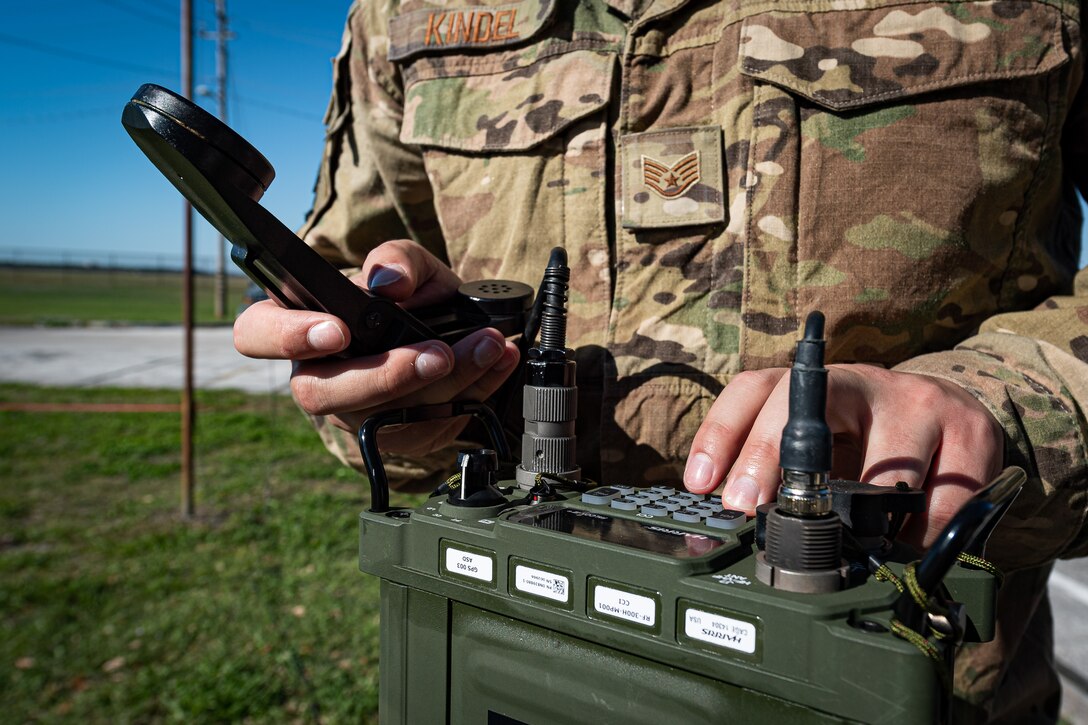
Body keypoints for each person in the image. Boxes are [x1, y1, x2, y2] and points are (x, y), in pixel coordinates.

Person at [234, 1, 1088, 721]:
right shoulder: (402, 12)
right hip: (492, 663)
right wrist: (386, 379)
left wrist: (1003, 401)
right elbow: (357, 283)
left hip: (888, 679)